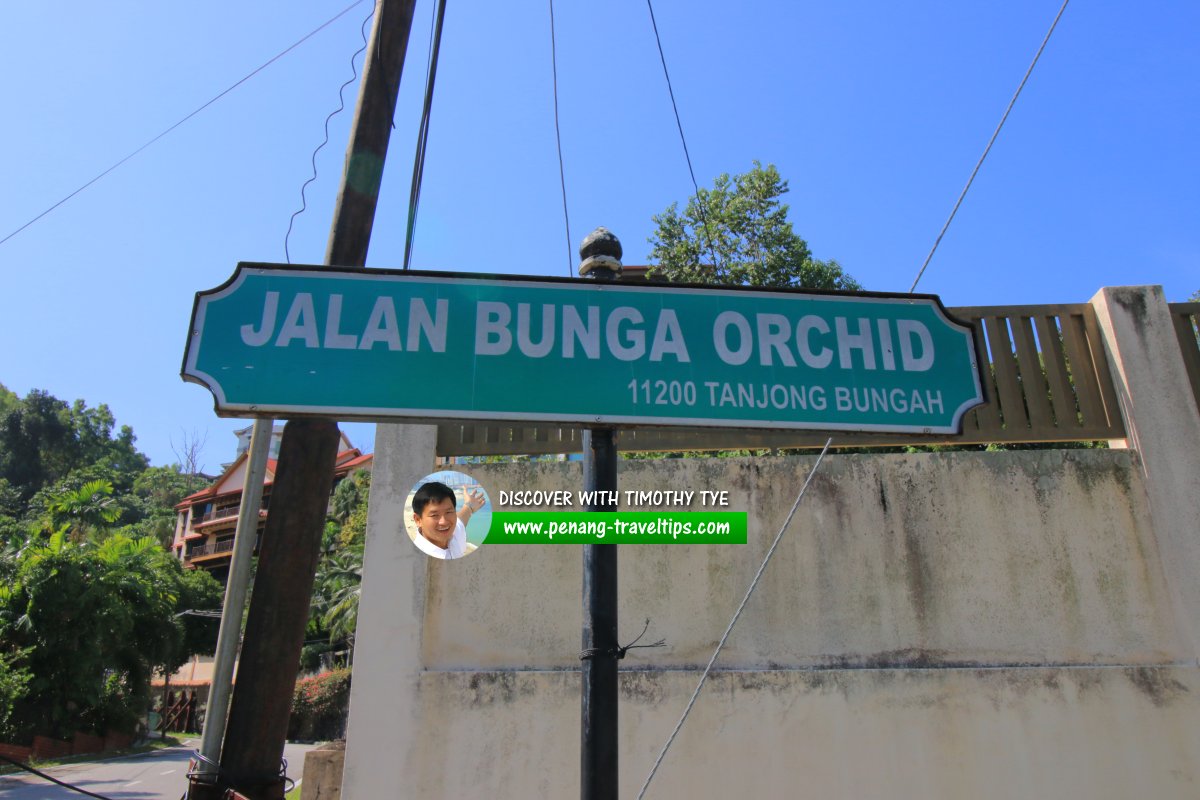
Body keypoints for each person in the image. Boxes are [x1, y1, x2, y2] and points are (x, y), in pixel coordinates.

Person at [409, 481, 485, 559]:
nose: (444, 522)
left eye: (448, 512)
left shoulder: (454, 534)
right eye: (434, 515)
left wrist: (469, 506)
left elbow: (462, 518)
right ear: (418, 520)